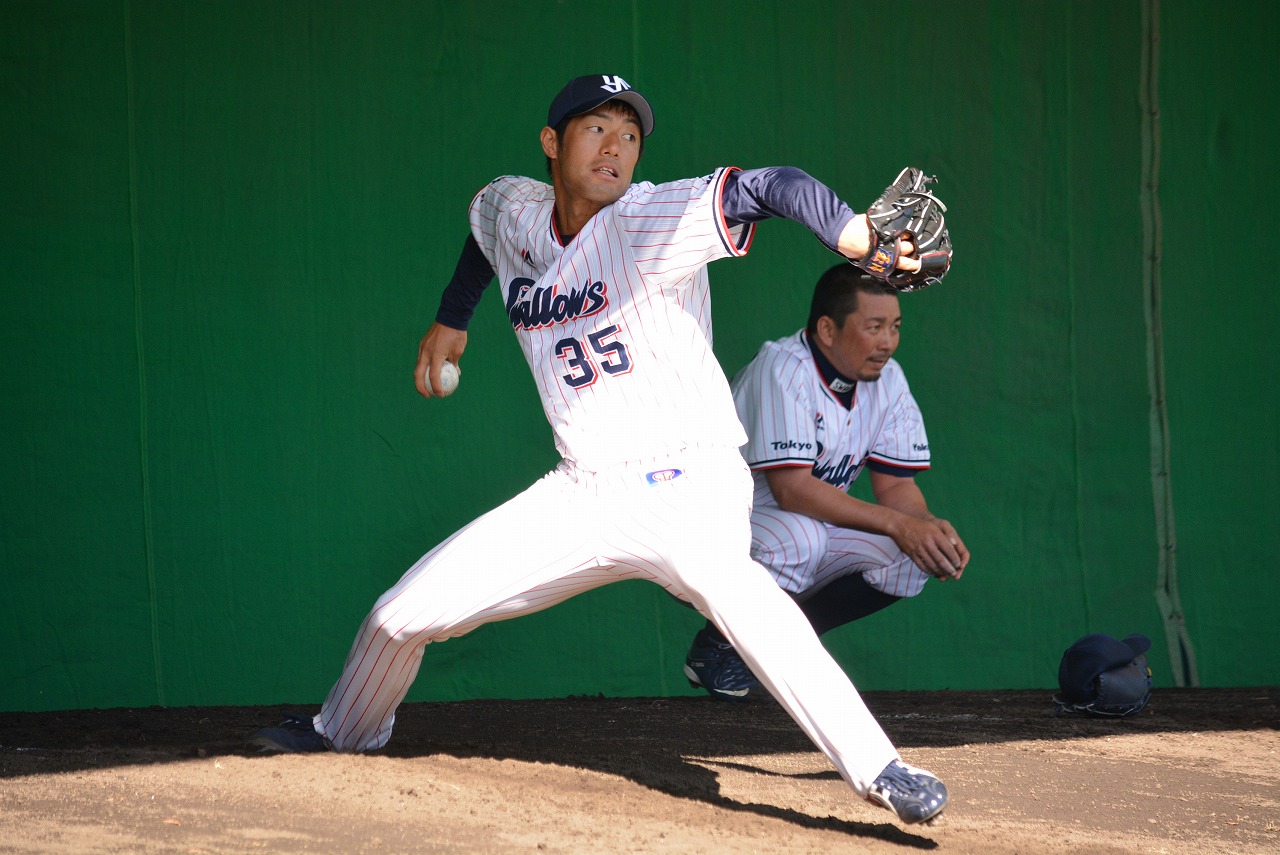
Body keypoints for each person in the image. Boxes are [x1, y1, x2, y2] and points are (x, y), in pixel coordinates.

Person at [251, 73, 949, 825]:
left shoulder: (649, 217)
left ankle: (882, 768)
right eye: (596, 128)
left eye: (631, 134)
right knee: (400, 615)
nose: (616, 147)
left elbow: (769, 185)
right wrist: (454, 316)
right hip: (582, 489)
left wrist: (851, 235)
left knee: (743, 594)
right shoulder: (513, 207)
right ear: (553, 143)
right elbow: (486, 233)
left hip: (687, 474)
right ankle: (344, 730)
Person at [684, 265, 970, 702]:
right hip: (711, 524)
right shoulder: (783, 367)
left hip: (798, 522)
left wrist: (925, 525)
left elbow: (895, 488)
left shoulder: (888, 380)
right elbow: (792, 490)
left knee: (912, 556)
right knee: (801, 539)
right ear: (827, 329)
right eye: (874, 327)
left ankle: (773, 646)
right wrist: (898, 524)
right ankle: (717, 647)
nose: (888, 342)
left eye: (894, 327)